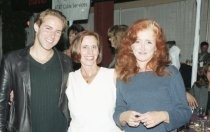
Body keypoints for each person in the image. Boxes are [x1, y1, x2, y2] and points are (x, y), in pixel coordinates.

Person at [0, 9, 73, 132]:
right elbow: (1, 104)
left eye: (58, 32)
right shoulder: (12, 61)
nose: (52, 36)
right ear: (36, 27)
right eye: (48, 28)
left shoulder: (66, 62)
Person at [113, 19, 192, 131]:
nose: (142, 47)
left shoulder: (170, 73)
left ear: (156, 47)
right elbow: (118, 111)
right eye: (137, 41)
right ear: (131, 46)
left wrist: (163, 116)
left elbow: (185, 112)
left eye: (148, 42)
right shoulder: (123, 75)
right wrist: (123, 116)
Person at [66, 31, 122, 132]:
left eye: (94, 47)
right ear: (76, 50)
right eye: (85, 47)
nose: (90, 52)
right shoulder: (70, 79)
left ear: (98, 50)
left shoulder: (112, 75)